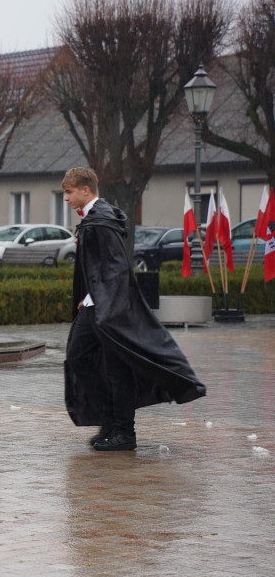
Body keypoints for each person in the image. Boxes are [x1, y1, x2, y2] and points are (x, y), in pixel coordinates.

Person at [61, 167, 206, 451]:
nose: (66, 198)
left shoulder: (100, 222)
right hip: (99, 306)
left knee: (115, 369)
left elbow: (115, 268)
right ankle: (112, 423)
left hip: (107, 310)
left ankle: (123, 432)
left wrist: (100, 302)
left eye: (69, 192)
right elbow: (100, 266)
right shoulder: (96, 219)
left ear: (85, 190)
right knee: (83, 359)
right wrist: (88, 295)